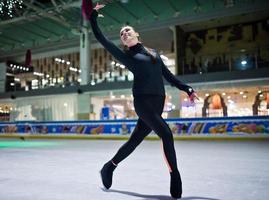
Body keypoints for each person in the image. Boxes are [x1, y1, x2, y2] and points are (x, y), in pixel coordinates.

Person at [84, 2, 199, 199]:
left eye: (127, 30)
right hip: (143, 103)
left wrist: (186, 88)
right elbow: (101, 39)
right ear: (123, 42)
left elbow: (168, 76)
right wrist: (93, 17)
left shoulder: (154, 53)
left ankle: (108, 167)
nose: (124, 34)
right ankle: (175, 176)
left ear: (137, 34)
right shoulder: (127, 56)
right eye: (122, 34)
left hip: (158, 103)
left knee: (134, 141)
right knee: (167, 135)